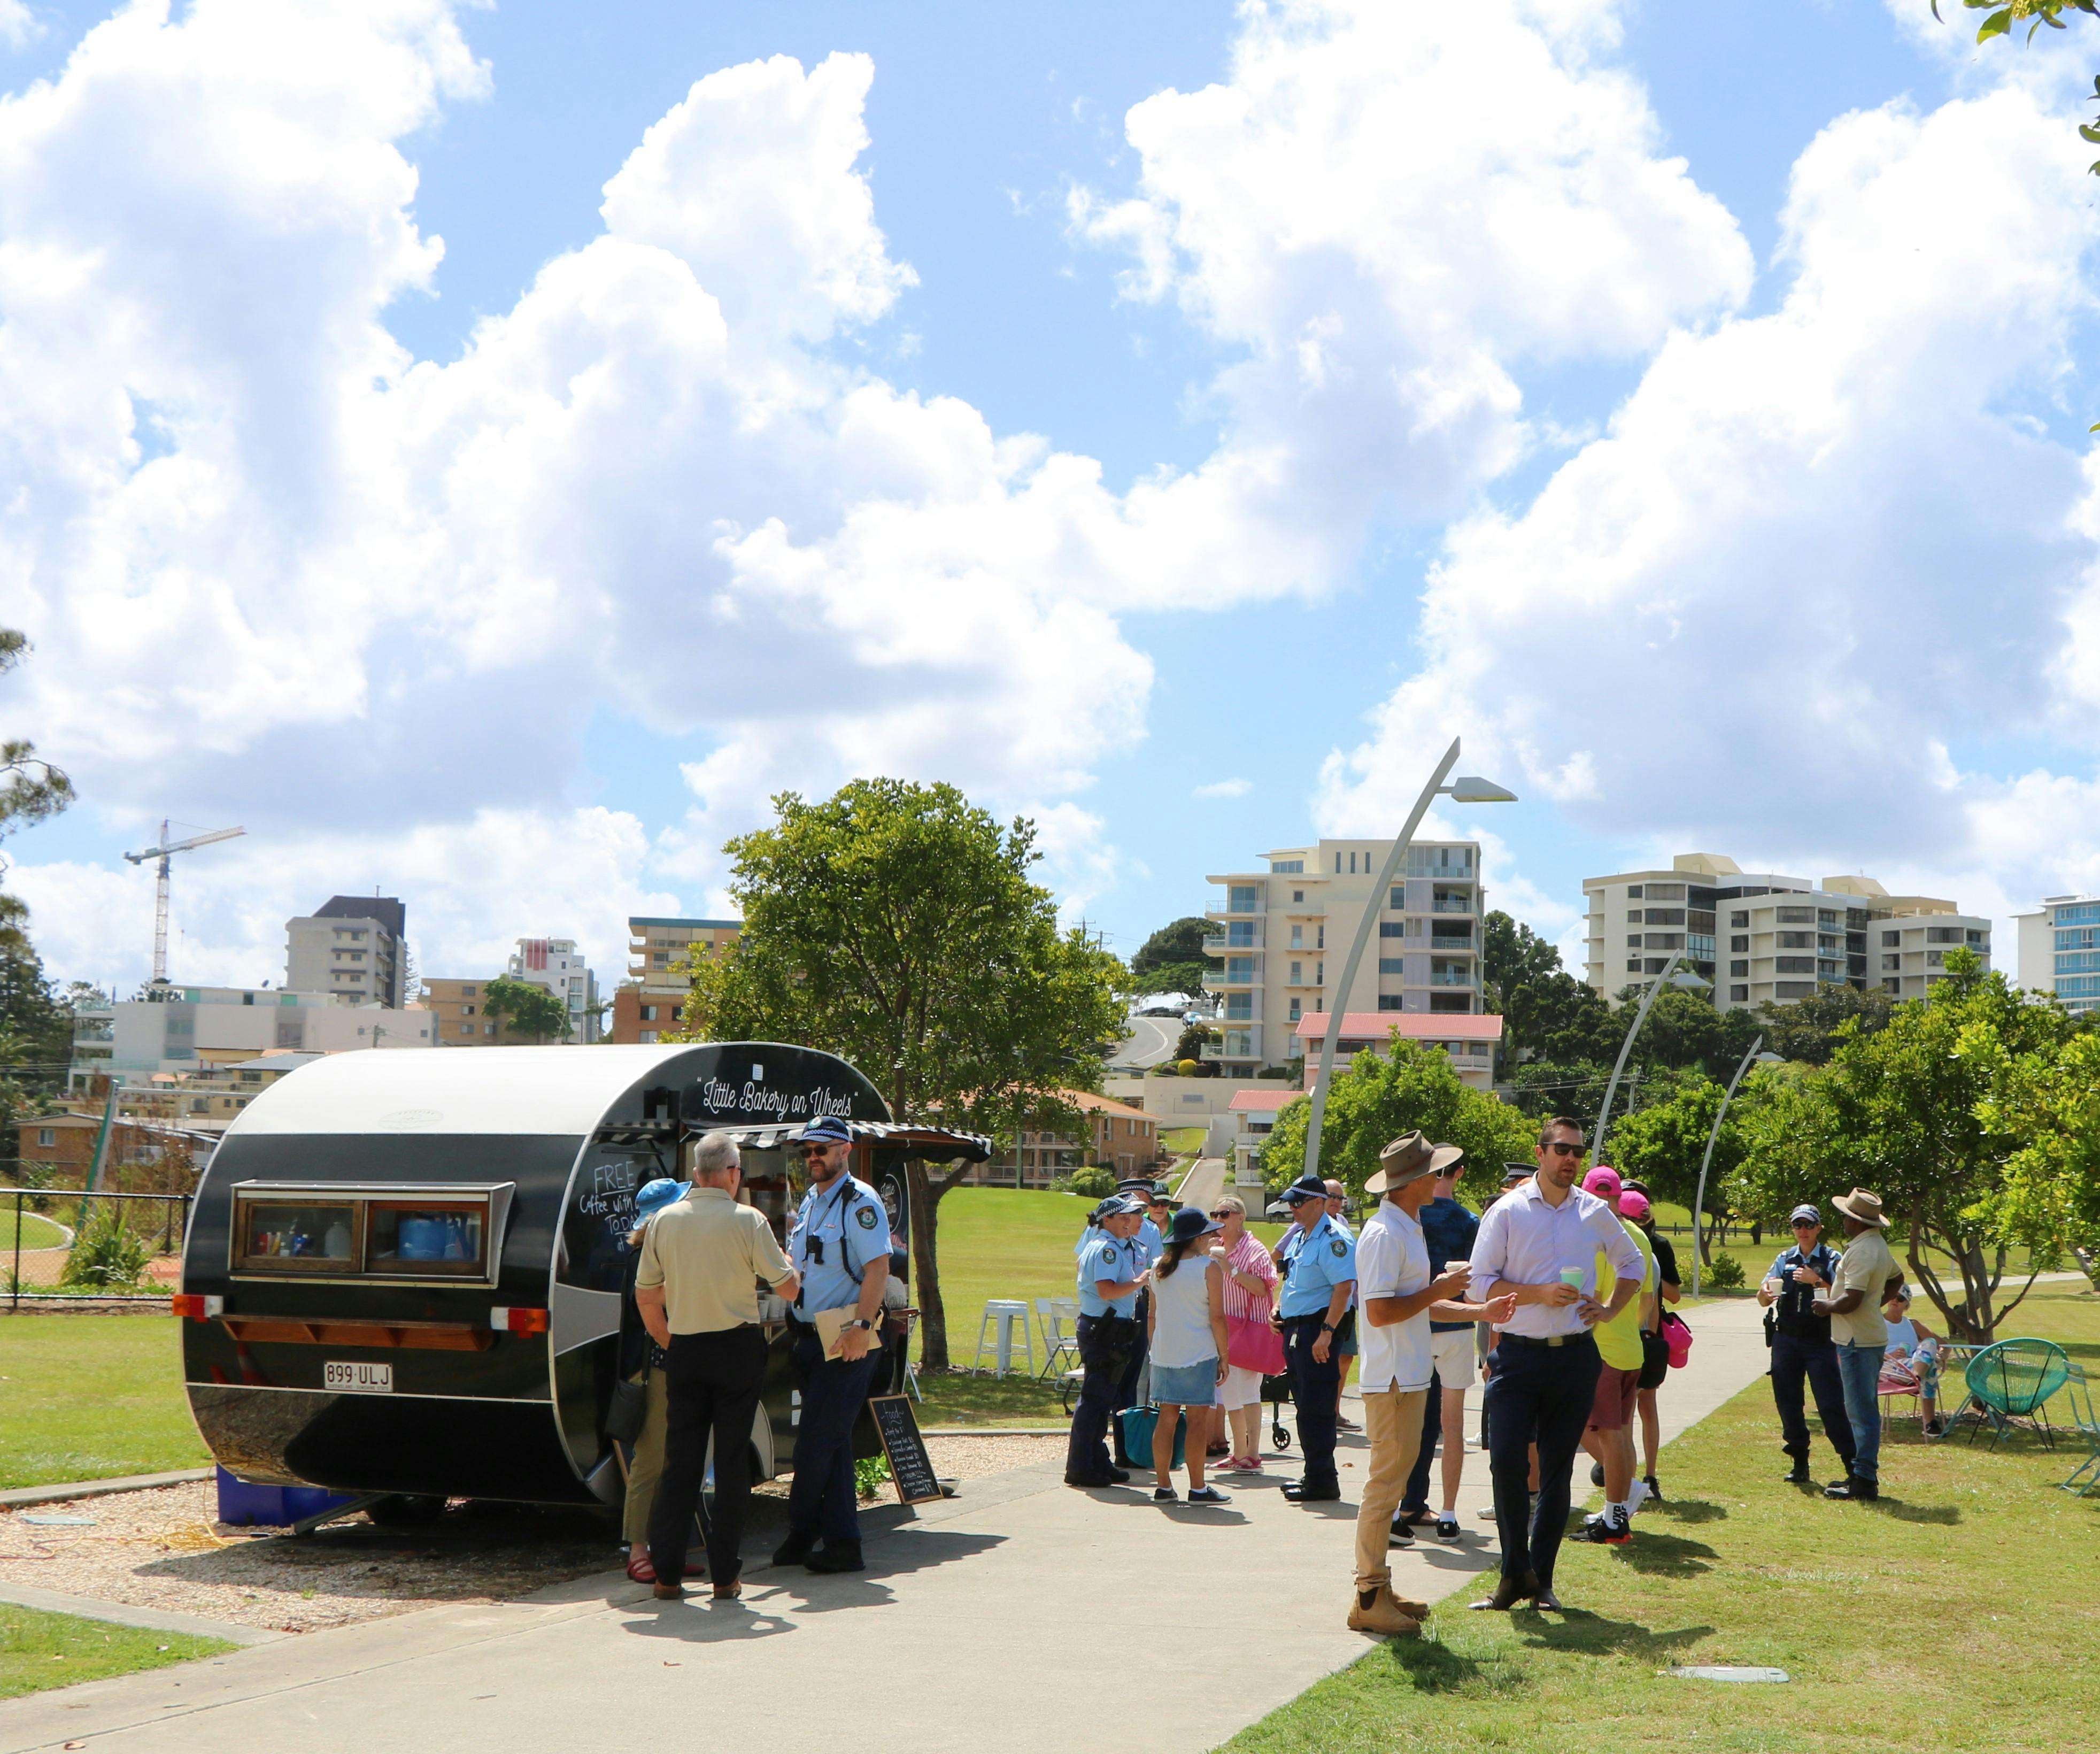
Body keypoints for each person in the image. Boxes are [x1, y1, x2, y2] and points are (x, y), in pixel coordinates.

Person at [1466, 1117, 1644, 1613]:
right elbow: (1478, 1285)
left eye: (1577, 1152)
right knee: (1506, 1462)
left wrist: (1608, 1307)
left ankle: (1540, 1581)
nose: (1570, 1159)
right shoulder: (1507, 1211)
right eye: (1561, 1149)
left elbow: (1634, 1264)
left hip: (1575, 1356)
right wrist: (1536, 1294)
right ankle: (1512, 1573)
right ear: (1541, 1153)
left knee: (1558, 1472)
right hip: (1517, 1356)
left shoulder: (1593, 1212)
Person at [1350, 1133, 1516, 1636]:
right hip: (1393, 1376)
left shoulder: (1407, 1226)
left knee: (1394, 1483)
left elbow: (1417, 1302)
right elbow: (1380, 1311)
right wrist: (1444, 1290)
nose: (1441, 1178)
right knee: (1385, 1487)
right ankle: (1368, 1594)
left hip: (1408, 1372)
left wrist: (1477, 1310)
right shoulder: (1385, 1234)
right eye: (1434, 1172)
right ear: (1415, 1181)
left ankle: (1379, 1588)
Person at [634, 1133, 799, 1603]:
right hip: (736, 1348)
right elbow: (787, 1290)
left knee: (679, 1464)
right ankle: (724, 1575)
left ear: (694, 1173)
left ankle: (667, 1574)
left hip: (685, 1346)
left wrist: (670, 1338)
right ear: (731, 1173)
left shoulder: (665, 1221)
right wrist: (791, 1266)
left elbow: (646, 1295)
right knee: (729, 1465)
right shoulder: (749, 1219)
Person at [777, 1115, 892, 1573]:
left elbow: (878, 1268)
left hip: (846, 1337)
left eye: (821, 1150)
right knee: (834, 1442)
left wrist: (863, 1326)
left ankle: (804, 1531)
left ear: (844, 1150)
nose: (812, 1159)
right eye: (807, 1152)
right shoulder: (810, 1200)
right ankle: (841, 1543)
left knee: (815, 1445)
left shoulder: (859, 1201)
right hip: (809, 1336)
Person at [1394, 1152, 1482, 1542]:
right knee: (1453, 1424)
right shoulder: (1468, 1221)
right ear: (1459, 1173)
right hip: (1458, 1325)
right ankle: (1447, 1512)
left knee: (1409, 1422)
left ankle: (1402, 1505)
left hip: (1415, 1323)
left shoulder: (1412, 1218)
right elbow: (1478, 1278)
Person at [618, 1176, 694, 1584]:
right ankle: (638, 1549)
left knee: (670, 1460)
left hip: (661, 1364)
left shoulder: (649, 1250)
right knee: (650, 1460)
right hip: (654, 1368)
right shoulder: (646, 1256)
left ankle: (664, 1548)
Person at [1575, 1168, 1655, 1545]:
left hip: (1599, 1349)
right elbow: (1647, 1298)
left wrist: (1604, 1316)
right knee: (1620, 1433)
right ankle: (1619, 1509)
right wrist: (1625, 1323)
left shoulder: (1591, 1235)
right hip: (1629, 1348)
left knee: (1600, 1434)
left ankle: (1615, 1515)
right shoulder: (1638, 1235)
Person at [1757, 1203, 1857, 1488]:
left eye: (1808, 1225)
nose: (1803, 1230)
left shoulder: (1833, 1258)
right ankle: (1799, 1461)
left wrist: (1818, 1280)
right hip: (1787, 1339)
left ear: (1819, 1228)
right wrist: (1765, 1294)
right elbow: (1762, 1297)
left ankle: (1852, 1466)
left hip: (1821, 1341)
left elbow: (1845, 1296)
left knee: (1830, 1404)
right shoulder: (1784, 1258)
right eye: (1797, 1225)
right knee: (1788, 1402)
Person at [1271, 1172, 1357, 1503]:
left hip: (1317, 1331)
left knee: (1318, 1408)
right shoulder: (1300, 1237)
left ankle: (1323, 1480)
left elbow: (1343, 1288)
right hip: (1296, 1329)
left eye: (1298, 1202)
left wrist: (1327, 1332)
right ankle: (1314, 1474)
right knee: (1305, 1406)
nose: (1292, 1208)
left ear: (1319, 1203)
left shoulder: (1334, 1238)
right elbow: (1291, 1280)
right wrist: (1278, 1308)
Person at [1816, 1188, 1900, 1501]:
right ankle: (1861, 1474)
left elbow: (1851, 1300)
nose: (1843, 1221)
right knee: (1863, 1407)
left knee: (1860, 1410)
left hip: (1857, 1340)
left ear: (1856, 1221)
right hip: (1866, 1335)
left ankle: (1864, 1479)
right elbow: (1897, 1278)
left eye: (1846, 1217)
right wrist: (1875, 1304)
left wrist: (1826, 1307)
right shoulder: (1876, 1245)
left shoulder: (1863, 1251)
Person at [1146, 1206, 1232, 1505]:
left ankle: (1163, 1486)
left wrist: (1155, 1349)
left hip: (1164, 1353)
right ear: (1195, 1239)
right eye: (1207, 1234)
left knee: (1166, 1419)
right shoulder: (1209, 1268)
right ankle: (1197, 1488)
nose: (1211, 1237)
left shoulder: (1158, 1267)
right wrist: (1225, 1355)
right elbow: (1218, 1318)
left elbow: (1152, 1317)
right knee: (1197, 1421)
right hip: (1199, 1353)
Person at [1065, 1192, 1148, 1487]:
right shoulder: (1106, 1250)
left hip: (1108, 1329)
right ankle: (1081, 1466)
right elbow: (1107, 1291)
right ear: (1107, 1219)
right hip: (1104, 1331)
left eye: (1131, 1217)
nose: (1130, 1222)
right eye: (1124, 1217)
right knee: (1095, 1400)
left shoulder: (1105, 1246)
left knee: (1103, 1399)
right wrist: (1140, 1282)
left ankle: (1097, 1460)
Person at [1619, 1179, 1679, 1503]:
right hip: (1643, 1334)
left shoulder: (1656, 1249)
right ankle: (1627, 1478)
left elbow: (1670, 1296)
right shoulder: (1641, 1248)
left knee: (1641, 1408)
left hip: (1642, 1334)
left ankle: (1646, 1477)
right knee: (1629, 1411)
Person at [1211, 1195, 1279, 1471]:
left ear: (1240, 1217)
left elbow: (1265, 1287)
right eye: (1215, 1214)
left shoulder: (1255, 1250)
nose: (1219, 1219)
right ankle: (1239, 1452)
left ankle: (1253, 1453)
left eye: (1225, 1214)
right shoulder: (1215, 1246)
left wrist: (1231, 1268)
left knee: (1249, 1391)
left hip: (1250, 1328)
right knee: (1229, 1392)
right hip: (1224, 1327)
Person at [1323, 1179, 1362, 1432]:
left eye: (1339, 1197)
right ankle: (1324, 1414)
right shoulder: (1306, 1226)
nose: (1336, 1201)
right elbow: (1280, 1253)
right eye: (1330, 1196)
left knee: (1346, 1358)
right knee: (1326, 1360)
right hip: (1323, 1307)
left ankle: (1335, 1411)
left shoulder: (1345, 1225)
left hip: (1348, 1305)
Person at [1879, 1289, 1943, 1436]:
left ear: (1907, 1304)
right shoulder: (1877, 1322)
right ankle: (1930, 1423)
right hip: (1888, 1367)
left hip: (1912, 1365)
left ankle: (1916, 1378)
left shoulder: (1913, 1325)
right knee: (1931, 1369)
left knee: (1930, 1343)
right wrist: (1890, 1355)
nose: (1895, 1300)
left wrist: (1939, 1355)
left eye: (1900, 1298)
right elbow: (1866, 1349)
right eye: (1892, 1296)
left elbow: (1943, 1345)